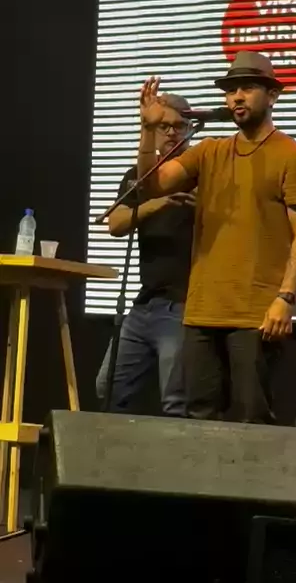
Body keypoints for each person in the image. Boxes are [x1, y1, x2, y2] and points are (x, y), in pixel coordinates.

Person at [137, 51, 296, 424]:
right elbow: (153, 186)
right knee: (199, 418)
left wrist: (285, 297)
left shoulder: (293, 157)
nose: (236, 97)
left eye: (247, 88)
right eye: (231, 90)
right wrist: (147, 131)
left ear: (272, 95)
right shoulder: (210, 150)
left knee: (253, 418)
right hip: (202, 309)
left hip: (255, 313)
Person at [96, 93, 195, 416]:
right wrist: (158, 202)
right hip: (144, 305)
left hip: (182, 305)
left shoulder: (201, 173)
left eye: (179, 125)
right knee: (108, 388)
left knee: (176, 400)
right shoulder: (137, 177)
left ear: (191, 129)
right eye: (163, 126)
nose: (171, 132)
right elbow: (116, 224)